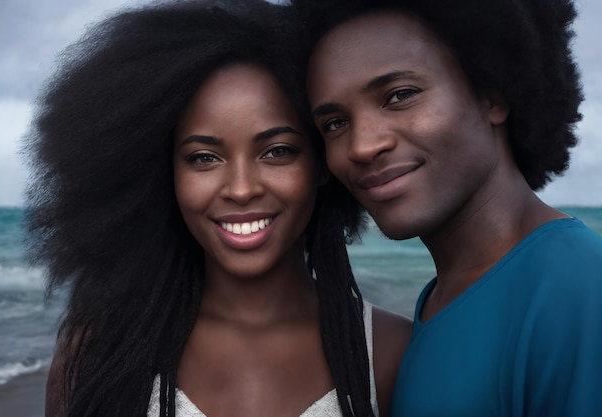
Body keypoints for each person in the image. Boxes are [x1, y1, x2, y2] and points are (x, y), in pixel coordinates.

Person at [22, 1, 413, 416]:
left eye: (277, 151)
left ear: (320, 164)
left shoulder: (390, 353)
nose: (241, 190)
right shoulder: (97, 354)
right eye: (204, 157)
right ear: (165, 173)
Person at [291, 0, 602, 415]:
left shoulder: (584, 295)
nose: (362, 145)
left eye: (400, 95)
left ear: (491, 94)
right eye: (335, 124)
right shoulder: (443, 297)